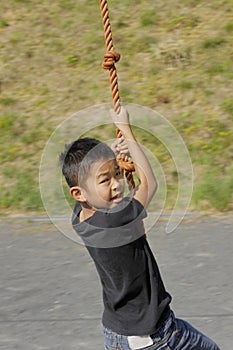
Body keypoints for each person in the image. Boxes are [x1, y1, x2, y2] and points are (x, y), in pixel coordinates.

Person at [59, 106, 220, 350]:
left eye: (117, 174)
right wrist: (126, 129)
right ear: (78, 193)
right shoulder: (115, 218)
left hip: (117, 331)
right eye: (105, 180)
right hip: (154, 335)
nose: (116, 185)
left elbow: (101, 194)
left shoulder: (81, 218)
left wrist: (108, 158)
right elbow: (150, 183)